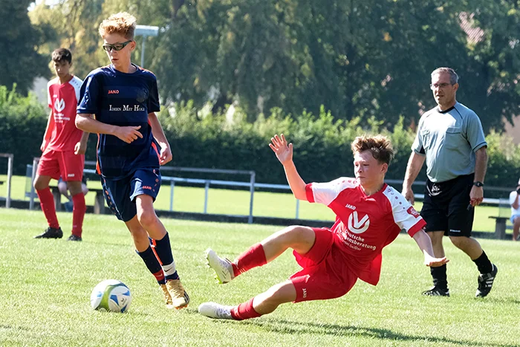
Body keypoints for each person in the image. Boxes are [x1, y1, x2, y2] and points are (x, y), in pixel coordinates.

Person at [198, 134, 448, 321]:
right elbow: (301, 191)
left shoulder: (393, 201)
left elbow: (418, 230)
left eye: (365, 165)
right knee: (294, 231)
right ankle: (232, 269)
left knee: (278, 292)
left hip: (341, 275)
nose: (359, 169)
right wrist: (287, 163)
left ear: (383, 168)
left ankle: (232, 313)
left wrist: (428, 254)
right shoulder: (344, 186)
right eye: (357, 164)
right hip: (329, 245)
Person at [75, 12, 189, 309]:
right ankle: (163, 285)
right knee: (137, 233)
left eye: (117, 46)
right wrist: (115, 130)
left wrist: (163, 142)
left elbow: (150, 115)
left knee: (146, 216)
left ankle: (175, 280)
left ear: (132, 46)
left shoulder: (146, 79)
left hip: (143, 158)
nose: (112, 52)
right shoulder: (98, 79)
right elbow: (81, 120)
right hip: (111, 165)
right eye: (107, 47)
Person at [402, 67, 497, 298]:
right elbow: (417, 155)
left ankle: (487, 270)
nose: (438, 89)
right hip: (433, 186)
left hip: (462, 184)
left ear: (455, 87)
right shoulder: (426, 119)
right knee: (432, 235)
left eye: (443, 85)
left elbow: (481, 153)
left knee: (458, 238)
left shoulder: (468, 117)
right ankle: (440, 287)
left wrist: (478, 184)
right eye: (435, 85)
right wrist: (407, 186)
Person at [34, 48, 89, 242]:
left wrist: (83, 142)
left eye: (63, 65)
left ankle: (77, 234)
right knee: (39, 183)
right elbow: (52, 113)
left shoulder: (79, 85)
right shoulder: (51, 86)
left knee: (74, 187)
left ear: (70, 64)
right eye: (56, 65)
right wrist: (46, 137)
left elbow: (88, 115)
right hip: (53, 145)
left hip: (72, 145)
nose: (59, 69)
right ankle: (54, 228)